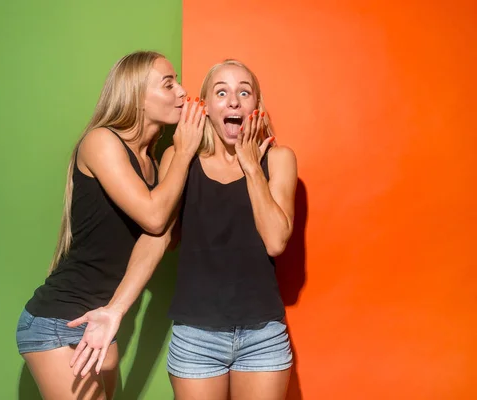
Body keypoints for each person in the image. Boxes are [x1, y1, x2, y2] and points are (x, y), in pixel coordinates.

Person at [71, 59, 297, 400]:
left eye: (244, 92)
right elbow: (158, 234)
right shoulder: (179, 157)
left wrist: (250, 165)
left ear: (256, 106)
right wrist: (115, 309)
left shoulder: (278, 160)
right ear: (205, 107)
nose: (233, 101)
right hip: (196, 339)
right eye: (221, 92)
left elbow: (276, 241)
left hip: (262, 336)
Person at [15, 50, 205, 400]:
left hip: (100, 320)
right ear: (137, 96)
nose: (181, 91)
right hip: (58, 321)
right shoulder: (101, 142)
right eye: (168, 84)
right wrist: (185, 152)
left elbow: (163, 238)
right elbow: (154, 216)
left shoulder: (152, 163)